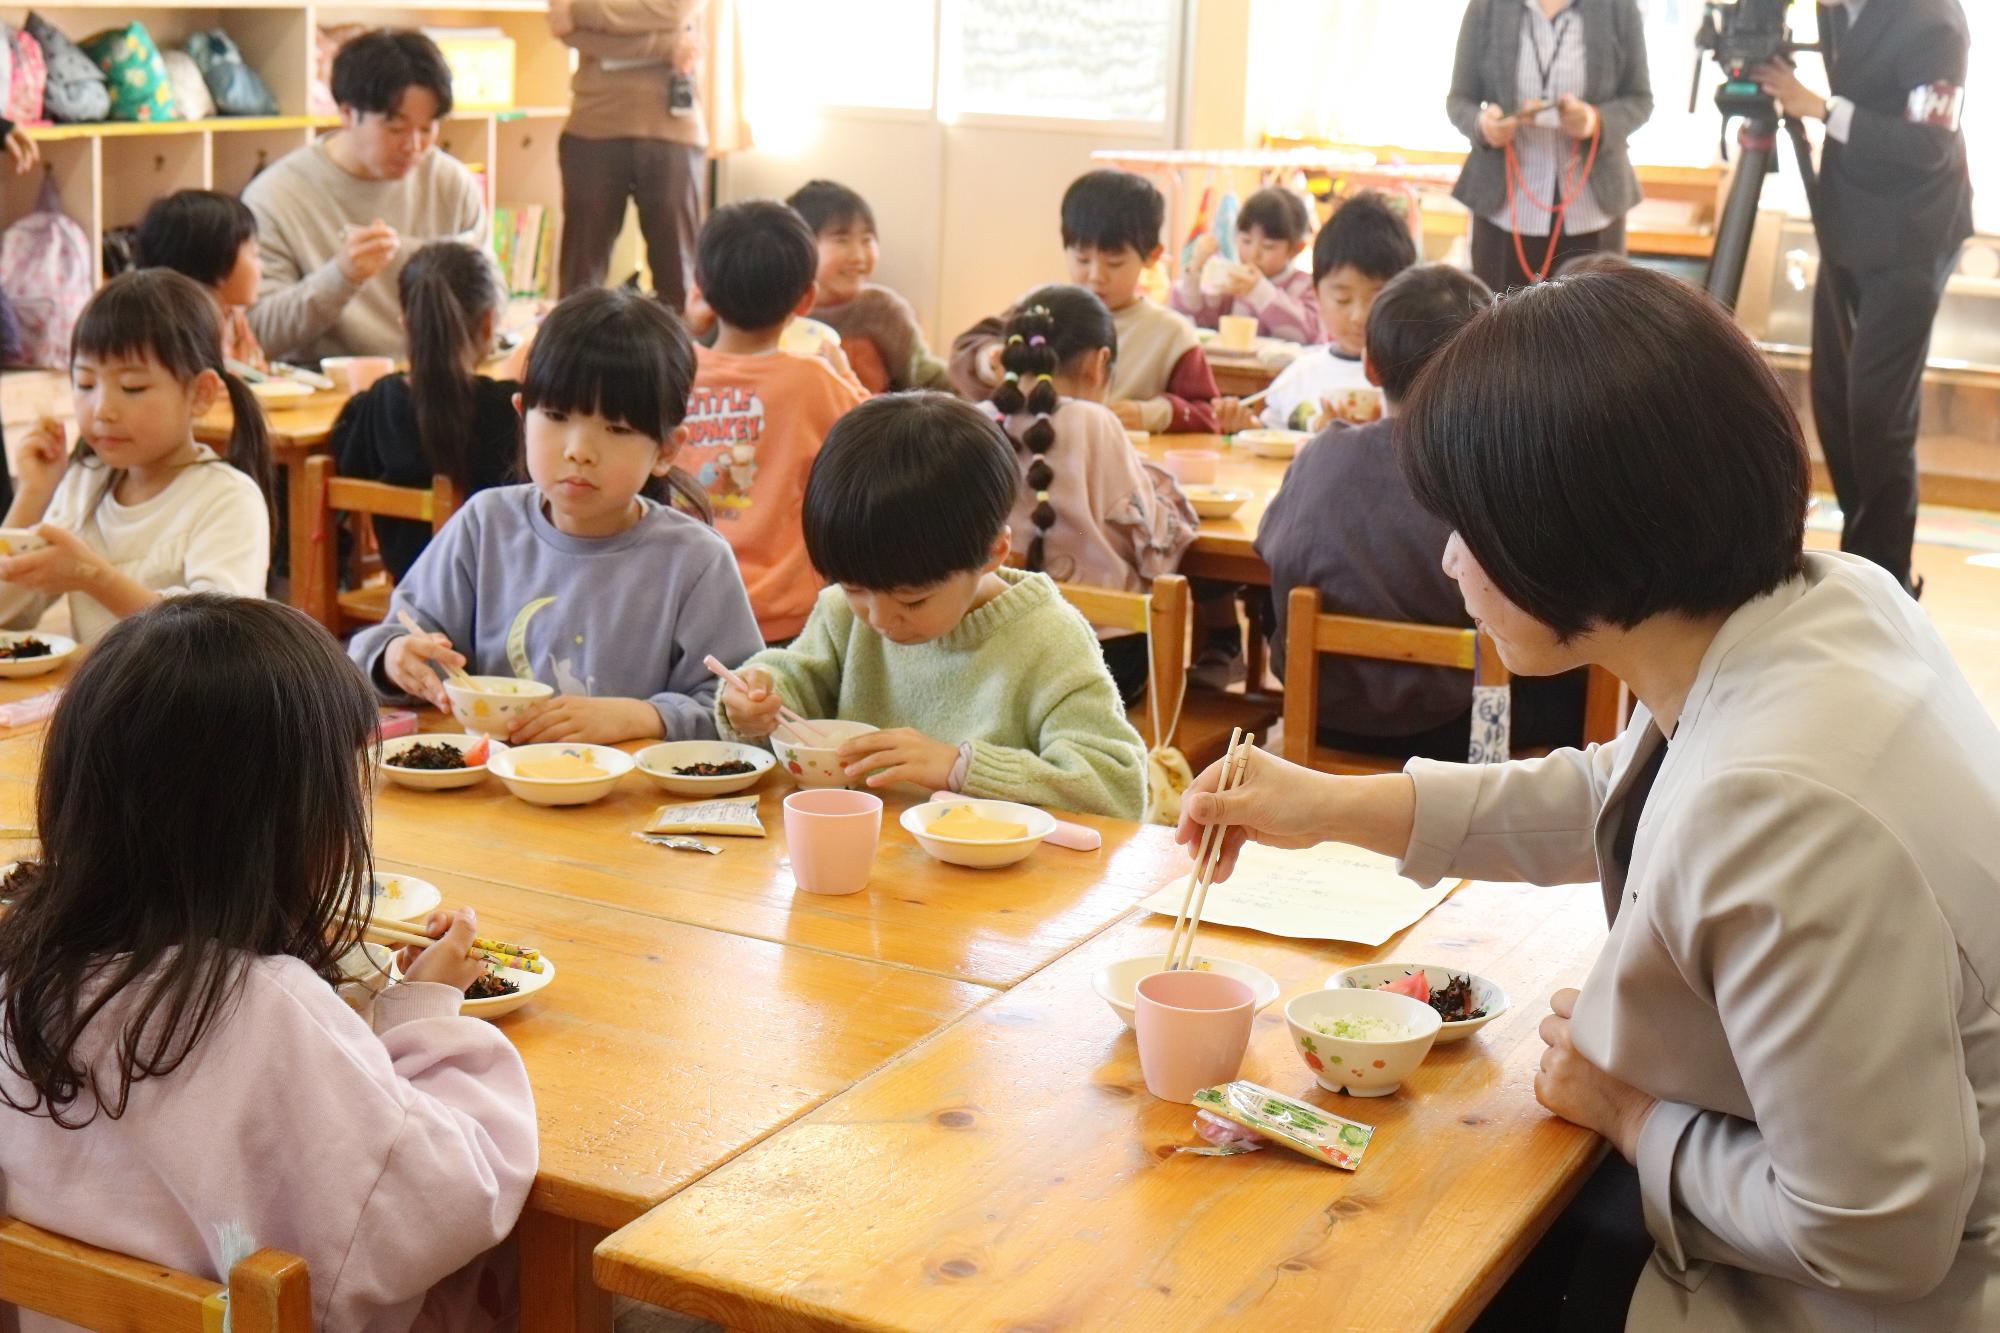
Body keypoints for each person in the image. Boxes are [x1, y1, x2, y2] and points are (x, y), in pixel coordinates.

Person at [1178, 266, 2000, 1330]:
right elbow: (1625, 792)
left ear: (1566, 531)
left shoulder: (1787, 808)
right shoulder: (1829, 601)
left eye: (1469, 527)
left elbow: (1871, 1234)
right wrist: (1329, 807)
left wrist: (1629, 1112)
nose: (1448, 560)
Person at [0, 595, 537, 1331]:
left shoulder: (23, 974)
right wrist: (427, 1012)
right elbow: (454, 1199)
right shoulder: (265, 1004)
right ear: (278, 824)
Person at [350, 285, 762, 745]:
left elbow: (743, 712)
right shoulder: (485, 526)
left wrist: (643, 717)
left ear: (666, 450)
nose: (579, 451)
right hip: (494, 783)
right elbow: (389, 640)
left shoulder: (694, 560)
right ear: (522, 416)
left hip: (631, 790)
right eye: (557, 416)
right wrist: (394, 658)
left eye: (616, 428)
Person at [718, 392, 1146, 821]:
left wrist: (960, 768)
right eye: (853, 588)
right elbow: (796, 688)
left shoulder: (1048, 639)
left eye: (913, 599)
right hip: (865, 850)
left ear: (993, 553)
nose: (879, 619)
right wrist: (757, 699)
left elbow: (1117, 787)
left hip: (990, 862)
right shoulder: (843, 614)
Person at [1256, 261, 1583, 758]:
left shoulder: (1320, 453)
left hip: (1323, 711)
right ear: (1486, 365)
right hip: (1456, 725)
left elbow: (1269, 552)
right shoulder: (1490, 466)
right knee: (1583, 677)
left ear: (1369, 365)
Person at [1754, 0, 1974, 597]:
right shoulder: (1835, 7)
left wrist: (1820, 108)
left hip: (1915, 231)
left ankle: (1886, 583)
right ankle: (1862, 558)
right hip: (1848, 221)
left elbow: (1928, 146)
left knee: (1878, 413)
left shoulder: (1934, 21)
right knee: (1834, 402)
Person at [0, 271, 271, 646]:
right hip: (103, 684)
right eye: (86, 384)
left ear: (200, 394)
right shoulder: (85, 481)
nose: (102, 409)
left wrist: (93, 576)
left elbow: (216, 642)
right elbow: (6, 614)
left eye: (132, 387)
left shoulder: (228, 498)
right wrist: (34, 494)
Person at [982, 285, 1196, 704]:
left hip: (995, 660)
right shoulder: (1097, 423)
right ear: (1100, 363)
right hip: (1101, 659)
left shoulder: (977, 420)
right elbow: (1154, 547)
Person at [682, 200, 866, 644]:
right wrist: (844, 373)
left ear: (700, 288)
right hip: (785, 619)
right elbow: (878, 436)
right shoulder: (814, 381)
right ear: (806, 299)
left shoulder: (673, 370)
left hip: (682, 606)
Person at [244, 29, 489, 363]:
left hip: (435, 378)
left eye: (427, 128)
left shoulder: (451, 183)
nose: (413, 146)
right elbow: (258, 332)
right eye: (396, 128)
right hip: (329, 385)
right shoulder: (275, 196)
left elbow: (492, 298)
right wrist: (340, 276)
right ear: (347, 114)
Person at [950, 170, 1219, 434]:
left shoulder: (1170, 333)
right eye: (1082, 259)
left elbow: (1209, 413)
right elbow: (964, 353)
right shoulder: (1044, 307)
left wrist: (1146, 414)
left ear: (1152, 256)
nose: (1095, 276)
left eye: (1114, 263)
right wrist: (990, 361)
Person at [332, 240, 521, 582]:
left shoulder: (380, 402)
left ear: (405, 323)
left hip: (409, 588)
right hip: (494, 593)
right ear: (488, 323)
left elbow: (348, 464)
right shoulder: (509, 408)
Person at [1446, 0, 1654, 291]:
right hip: (1503, 204)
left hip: (1594, 203)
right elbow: (1459, 100)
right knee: (1499, 313)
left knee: (1596, 314)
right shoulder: (1487, 6)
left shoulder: (1617, 7)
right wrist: (1484, 125)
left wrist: (1595, 121)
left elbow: (1640, 99)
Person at [546, 0, 707, 307]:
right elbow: (564, 27)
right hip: (593, 124)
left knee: (679, 285)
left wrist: (583, 13)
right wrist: (667, 45)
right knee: (579, 286)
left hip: (673, 128)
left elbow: (676, 10)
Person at [1217, 191, 1416, 435]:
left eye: (1376, 299)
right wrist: (1245, 428)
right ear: (1316, 294)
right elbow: (1272, 433)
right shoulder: (1299, 375)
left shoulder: (1412, 382)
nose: (1359, 316)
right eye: (1342, 300)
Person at [786, 178, 953, 394]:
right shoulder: (779, 311)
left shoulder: (883, 310)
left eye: (867, 239)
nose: (858, 256)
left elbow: (925, 376)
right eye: (841, 240)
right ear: (800, 245)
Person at [133, 189, 269, 373]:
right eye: (255, 254)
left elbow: (260, 375)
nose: (262, 267)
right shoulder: (175, 331)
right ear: (218, 262)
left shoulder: (232, 316)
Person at [1170, 185, 1321, 343]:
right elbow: (1195, 319)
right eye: (1246, 241)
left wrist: (1258, 290)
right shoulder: (1232, 282)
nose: (1254, 254)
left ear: (1296, 248)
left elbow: (1309, 334)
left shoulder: (1305, 285)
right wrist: (1195, 267)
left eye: (1268, 246)